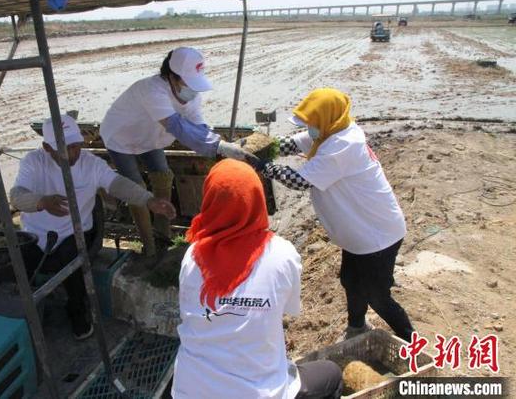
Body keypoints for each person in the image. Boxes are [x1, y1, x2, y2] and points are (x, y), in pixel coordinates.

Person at [172, 159, 343, 399]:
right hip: (258, 392)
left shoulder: (192, 255)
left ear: (209, 201)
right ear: (256, 199)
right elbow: (290, 309)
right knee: (331, 373)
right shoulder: (281, 253)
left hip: (190, 390)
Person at [258, 88, 414, 342]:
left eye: (311, 124)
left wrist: (264, 167)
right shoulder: (330, 131)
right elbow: (293, 143)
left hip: (378, 235)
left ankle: (412, 342)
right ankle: (356, 328)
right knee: (350, 281)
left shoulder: (343, 144)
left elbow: (299, 181)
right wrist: (266, 147)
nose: (309, 129)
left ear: (326, 119)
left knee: (377, 295)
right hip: (359, 234)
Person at [10, 114, 176, 340]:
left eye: (76, 145)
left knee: (72, 266)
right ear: (47, 148)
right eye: (65, 148)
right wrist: (41, 202)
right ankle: (25, 318)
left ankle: (79, 314)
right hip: (34, 234)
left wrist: (149, 200)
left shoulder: (91, 164)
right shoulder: (33, 162)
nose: (73, 153)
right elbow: (17, 196)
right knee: (18, 267)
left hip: (75, 233)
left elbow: (117, 184)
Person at [99, 47, 254, 264]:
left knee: (163, 177)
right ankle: (149, 246)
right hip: (122, 138)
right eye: (187, 83)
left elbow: (198, 128)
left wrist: (224, 145)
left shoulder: (192, 97)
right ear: (171, 76)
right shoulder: (151, 90)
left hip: (150, 138)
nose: (192, 90)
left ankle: (162, 235)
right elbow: (176, 126)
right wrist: (218, 146)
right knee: (136, 188)